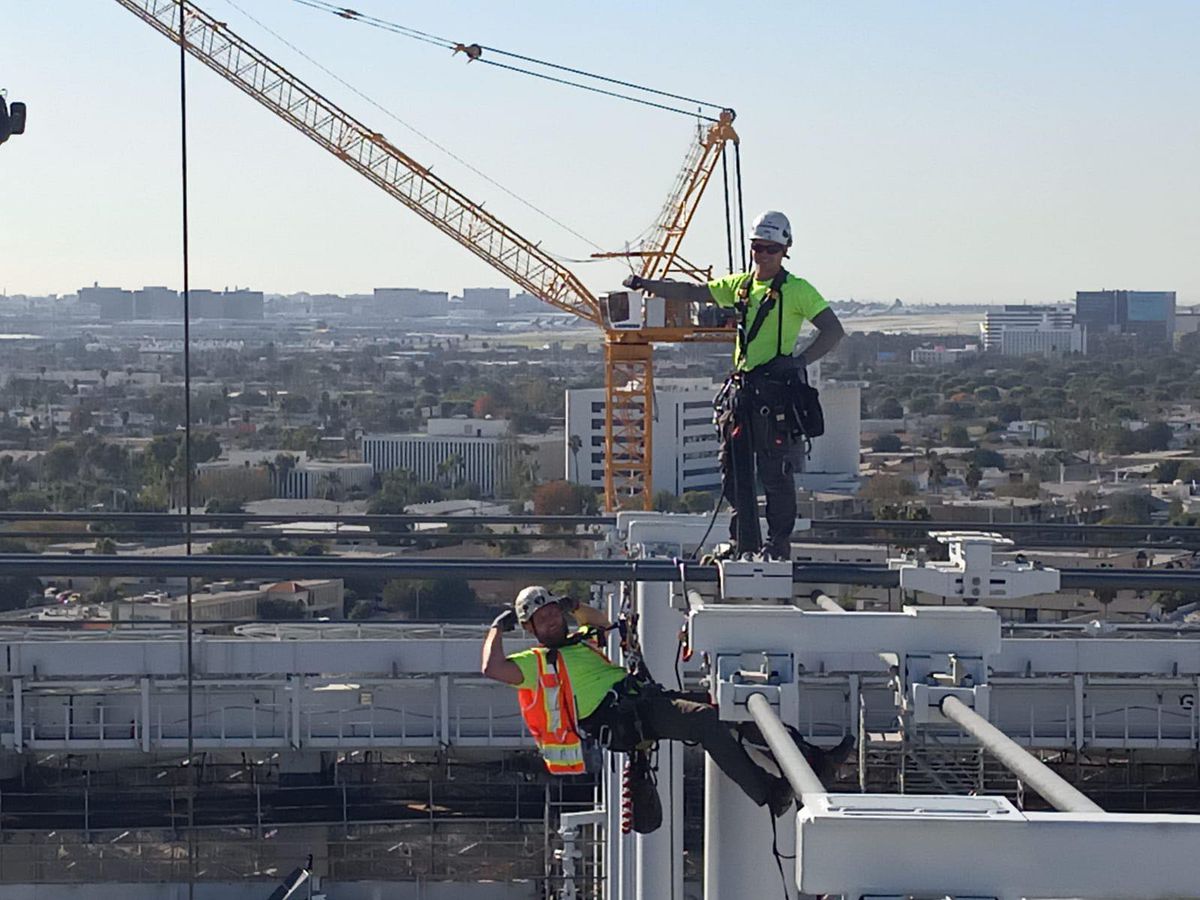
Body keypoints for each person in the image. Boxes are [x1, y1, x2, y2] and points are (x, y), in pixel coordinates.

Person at [481, 585, 851, 818]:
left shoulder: (577, 639)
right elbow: (491, 667)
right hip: (626, 716)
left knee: (730, 706)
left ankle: (815, 760)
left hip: (639, 701)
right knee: (706, 722)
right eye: (541, 620)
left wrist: (573, 604)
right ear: (530, 630)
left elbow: (603, 621)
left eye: (551, 614)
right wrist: (498, 627)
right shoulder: (535, 663)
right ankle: (769, 792)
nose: (550, 622)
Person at [624, 211, 845, 560]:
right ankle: (744, 543)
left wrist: (798, 361)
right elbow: (692, 292)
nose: (763, 254)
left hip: (774, 393)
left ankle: (777, 545)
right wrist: (648, 285)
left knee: (776, 472)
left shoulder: (797, 290)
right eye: (758, 247)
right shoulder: (740, 286)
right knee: (735, 471)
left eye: (771, 248)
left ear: (785, 249)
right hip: (743, 393)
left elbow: (832, 330)